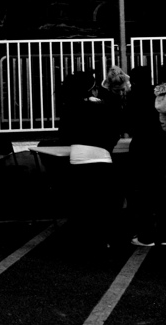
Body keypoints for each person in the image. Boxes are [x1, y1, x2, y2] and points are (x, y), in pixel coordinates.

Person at [67, 66, 130, 253]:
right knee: (104, 202)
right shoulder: (104, 106)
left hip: (77, 155)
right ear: (93, 89)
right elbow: (114, 131)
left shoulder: (71, 105)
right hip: (100, 155)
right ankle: (106, 241)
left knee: (83, 202)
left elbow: (66, 133)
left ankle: (83, 241)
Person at [125, 65, 166, 248]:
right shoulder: (158, 95)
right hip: (159, 146)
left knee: (142, 192)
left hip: (141, 147)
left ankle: (146, 235)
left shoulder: (133, 97)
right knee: (160, 190)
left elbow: (128, 123)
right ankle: (165, 234)